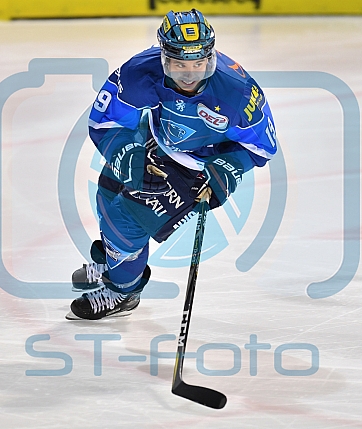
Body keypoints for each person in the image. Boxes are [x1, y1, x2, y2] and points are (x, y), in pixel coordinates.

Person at [66, 9, 278, 320]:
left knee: (126, 223)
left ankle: (123, 291)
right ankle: (119, 265)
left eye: (198, 64)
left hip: (198, 167)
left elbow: (262, 146)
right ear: (164, 58)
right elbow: (105, 122)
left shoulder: (237, 91)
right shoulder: (140, 71)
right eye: (179, 65)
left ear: (211, 57)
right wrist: (126, 153)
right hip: (154, 139)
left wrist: (229, 167)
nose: (189, 75)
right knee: (107, 193)